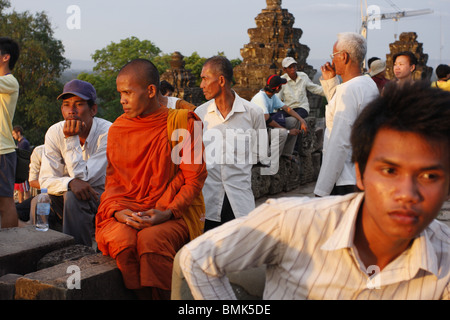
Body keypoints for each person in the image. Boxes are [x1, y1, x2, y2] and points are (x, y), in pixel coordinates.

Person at [178, 80, 450, 300]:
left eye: (429, 175)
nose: (407, 193)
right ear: (360, 173)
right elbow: (197, 258)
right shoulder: (293, 223)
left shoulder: (444, 262)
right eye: (389, 171)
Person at [95, 59, 207, 300]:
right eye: (120, 94)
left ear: (151, 91)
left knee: (151, 242)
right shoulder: (118, 129)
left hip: (173, 210)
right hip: (127, 210)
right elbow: (114, 185)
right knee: (123, 243)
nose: (122, 100)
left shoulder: (183, 123)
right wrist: (117, 213)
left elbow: (193, 179)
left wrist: (167, 212)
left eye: (127, 93)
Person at [195, 56, 267, 232]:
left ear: (220, 80)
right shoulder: (200, 114)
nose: (201, 85)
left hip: (240, 200)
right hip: (208, 202)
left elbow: (260, 153)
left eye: (205, 78)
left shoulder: (253, 113)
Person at [39, 79, 112, 246]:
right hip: (69, 196)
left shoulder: (108, 133)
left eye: (78, 104)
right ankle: (42, 251)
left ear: (93, 109)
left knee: (73, 196)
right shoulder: (54, 131)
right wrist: (70, 182)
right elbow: (45, 180)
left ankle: (77, 254)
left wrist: (71, 139)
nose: (71, 111)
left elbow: (85, 179)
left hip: (103, 197)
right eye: (66, 105)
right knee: (39, 201)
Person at [314, 32, 379, 197]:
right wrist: (331, 82)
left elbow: (339, 142)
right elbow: (338, 111)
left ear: (343, 56)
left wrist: (321, 189)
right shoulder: (367, 83)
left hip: (345, 177)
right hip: (361, 171)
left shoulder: (349, 90)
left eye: (334, 55)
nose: (332, 60)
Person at [250, 75, 304, 168]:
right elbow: (266, 119)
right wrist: (287, 131)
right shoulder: (260, 97)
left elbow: (286, 108)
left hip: (267, 128)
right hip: (259, 132)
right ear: (278, 88)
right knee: (282, 132)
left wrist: (302, 120)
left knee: (294, 121)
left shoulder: (271, 96)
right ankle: (268, 160)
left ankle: (286, 153)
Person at [0, 37, 20, 229]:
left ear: (6, 57)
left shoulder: (10, 82)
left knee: (5, 202)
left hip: (3, 150)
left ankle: (13, 250)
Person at [16, 145, 44, 224]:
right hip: (46, 192)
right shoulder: (40, 151)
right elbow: (32, 181)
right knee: (17, 210)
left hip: (55, 195)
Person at [12, 125, 31, 203]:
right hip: (20, 170)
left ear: (18, 133)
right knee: (20, 190)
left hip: (23, 170)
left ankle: (27, 204)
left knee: (25, 190)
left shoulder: (24, 143)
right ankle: (20, 204)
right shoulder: (19, 143)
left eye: (14, 134)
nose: (13, 136)